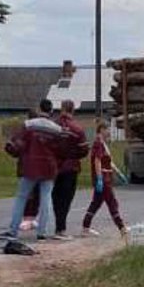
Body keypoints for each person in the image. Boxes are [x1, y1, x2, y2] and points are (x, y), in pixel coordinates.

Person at [5, 112, 69, 241]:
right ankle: (42, 232)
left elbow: (18, 144)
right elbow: (62, 150)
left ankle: (13, 230)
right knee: (46, 198)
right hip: (49, 168)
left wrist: (15, 153)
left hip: (30, 167)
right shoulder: (56, 129)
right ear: (50, 112)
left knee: (21, 198)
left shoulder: (29, 125)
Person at [82, 121, 128, 241]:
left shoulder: (103, 143)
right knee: (112, 202)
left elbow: (109, 161)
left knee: (96, 203)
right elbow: (97, 161)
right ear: (101, 129)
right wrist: (100, 179)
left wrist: (119, 173)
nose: (109, 132)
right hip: (103, 177)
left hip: (107, 175)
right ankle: (122, 227)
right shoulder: (98, 143)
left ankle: (85, 227)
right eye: (107, 129)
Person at [52, 100, 87, 238]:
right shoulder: (77, 129)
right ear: (73, 110)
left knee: (55, 197)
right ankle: (61, 228)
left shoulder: (53, 126)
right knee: (66, 199)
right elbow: (84, 149)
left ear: (61, 109)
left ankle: (57, 225)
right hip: (71, 167)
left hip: (54, 166)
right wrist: (74, 156)